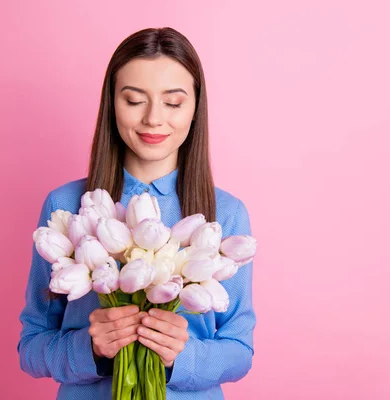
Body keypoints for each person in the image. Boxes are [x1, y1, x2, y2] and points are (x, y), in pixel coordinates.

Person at [17, 27, 256, 399]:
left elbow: (239, 351)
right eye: (134, 100)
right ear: (112, 104)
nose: (153, 119)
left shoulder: (225, 214)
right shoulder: (66, 206)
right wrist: (90, 350)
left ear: (195, 109)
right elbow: (31, 346)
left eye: (173, 103)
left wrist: (182, 356)